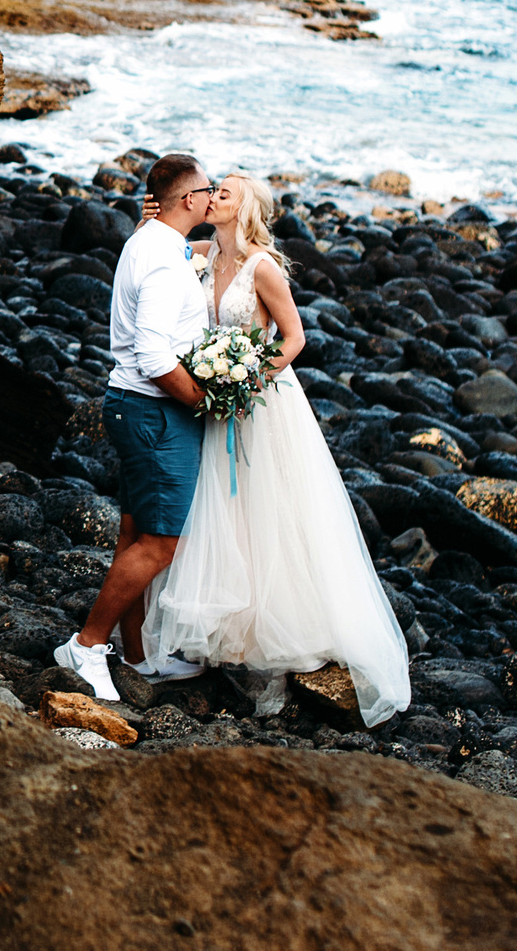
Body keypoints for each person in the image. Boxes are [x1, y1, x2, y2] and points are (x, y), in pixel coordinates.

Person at [142, 172, 411, 726]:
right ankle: (219, 635)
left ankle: (272, 638)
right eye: (211, 191)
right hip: (215, 400)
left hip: (261, 401)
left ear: (244, 211)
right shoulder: (196, 253)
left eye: (224, 194)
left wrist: (248, 377)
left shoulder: (263, 266)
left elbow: (294, 337)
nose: (212, 197)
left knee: (269, 512)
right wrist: (150, 214)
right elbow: (157, 239)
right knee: (218, 513)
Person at [54, 154, 214, 702]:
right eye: (207, 189)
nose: (212, 196)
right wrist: (199, 400)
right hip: (155, 412)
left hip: (135, 408)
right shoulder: (165, 261)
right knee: (160, 545)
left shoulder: (152, 240)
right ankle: (87, 645)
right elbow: (152, 352)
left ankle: (138, 656)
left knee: (133, 534)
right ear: (190, 200)